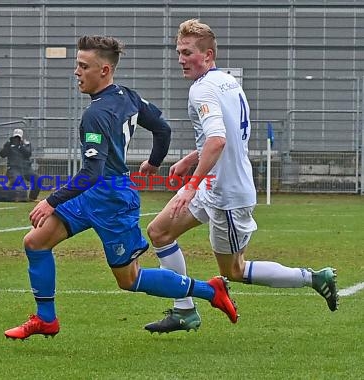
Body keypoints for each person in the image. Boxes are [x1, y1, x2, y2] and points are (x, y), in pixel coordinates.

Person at [4, 35, 239, 340]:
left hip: (112, 198)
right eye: (77, 64)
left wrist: (51, 201)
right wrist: (154, 162)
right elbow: (162, 128)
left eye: (83, 66)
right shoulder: (127, 96)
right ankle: (46, 319)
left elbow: (91, 171)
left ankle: (210, 290)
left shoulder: (96, 114)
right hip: (95, 193)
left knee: (129, 279)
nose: (76, 72)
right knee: (35, 243)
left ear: (104, 70)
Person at [143, 19, 339, 334]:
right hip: (213, 186)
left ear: (207, 55)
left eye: (187, 53)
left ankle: (315, 277)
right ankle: (184, 311)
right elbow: (228, 137)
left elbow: (219, 140)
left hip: (227, 195)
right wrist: (191, 159)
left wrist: (190, 186)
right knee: (160, 232)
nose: (180, 59)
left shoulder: (202, 89)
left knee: (234, 270)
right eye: (178, 52)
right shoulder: (227, 81)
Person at [0, 128, 40, 201]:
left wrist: (20, 146)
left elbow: (28, 154)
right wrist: (8, 146)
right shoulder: (9, 144)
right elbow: (2, 154)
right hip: (13, 168)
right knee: (18, 181)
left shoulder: (26, 144)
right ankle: (14, 195)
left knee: (37, 179)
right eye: (16, 137)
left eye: (19, 137)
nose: (17, 139)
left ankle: (32, 198)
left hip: (26, 168)